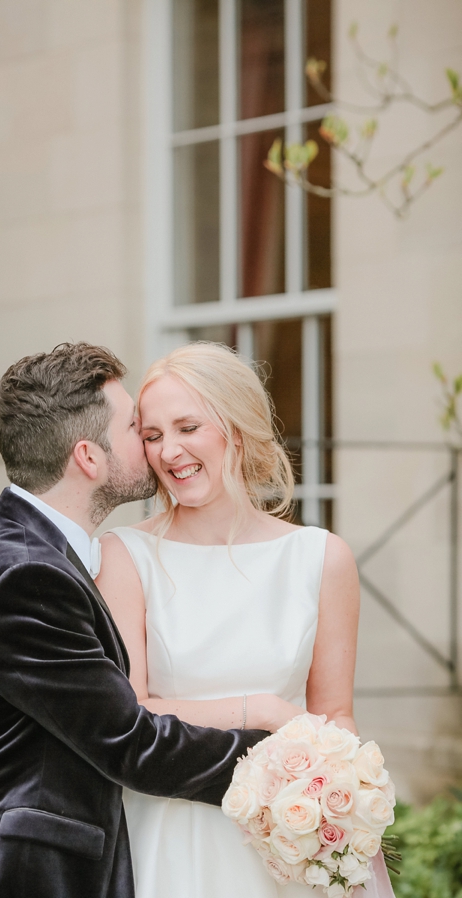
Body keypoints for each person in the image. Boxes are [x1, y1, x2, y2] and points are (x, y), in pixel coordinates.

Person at [0, 342, 269, 898]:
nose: (153, 444)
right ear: (89, 457)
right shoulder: (24, 575)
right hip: (5, 872)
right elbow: (131, 742)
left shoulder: (33, 552)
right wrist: (278, 758)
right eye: (137, 429)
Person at [97, 341, 394, 897]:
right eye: (153, 435)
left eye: (188, 427)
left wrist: (335, 817)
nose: (169, 452)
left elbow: (334, 716)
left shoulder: (322, 557)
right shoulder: (123, 555)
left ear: (235, 428)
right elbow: (128, 711)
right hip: (169, 830)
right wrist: (259, 709)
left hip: (287, 839)